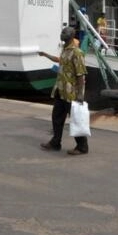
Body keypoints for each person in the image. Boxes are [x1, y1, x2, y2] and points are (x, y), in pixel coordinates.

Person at [38, 27, 88, 155]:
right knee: (56, 117)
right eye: (61, 31)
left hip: (71, 93)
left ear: (72, 35)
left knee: (76, 119)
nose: (62, 33)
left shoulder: (77, 52)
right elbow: (59, 61)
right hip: (61, 90)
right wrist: (45, 55)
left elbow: (81, 75)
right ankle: (56, 142)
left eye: (65, 32)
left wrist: (80, 94)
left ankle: (82, 147)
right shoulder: (65, 50)